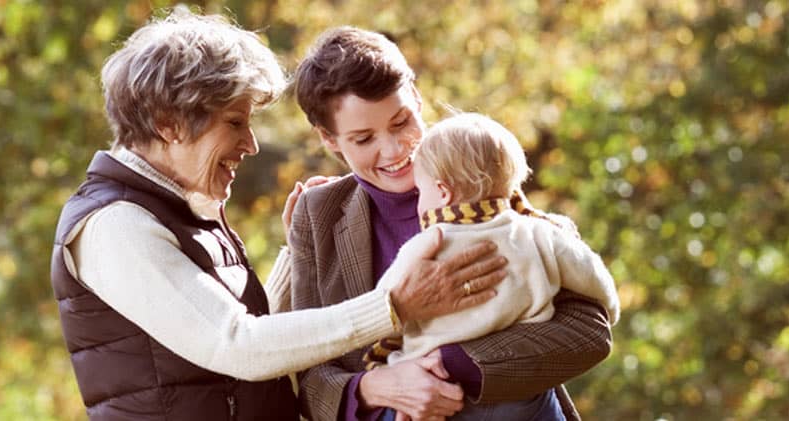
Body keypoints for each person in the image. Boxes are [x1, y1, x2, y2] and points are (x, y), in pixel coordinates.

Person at [48, 9, 507, 420]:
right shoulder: (115, 226)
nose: (251, 144)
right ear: (168, 124)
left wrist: (299, 250)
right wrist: (394, 306)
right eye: (234, 123)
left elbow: (244, 341)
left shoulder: (184, 211)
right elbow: (235, 345)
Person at [286, 27, 615, 421]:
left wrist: (453, 366)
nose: (394, 150)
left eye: (402, 122)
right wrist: (376, 387)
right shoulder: (317, 214)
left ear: (418, 99)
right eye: (363, 138)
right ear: (329, 139)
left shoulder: (477, 168)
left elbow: (588, 332)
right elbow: (309, 376)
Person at [371, 113, 621, 420]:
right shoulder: (538, 231)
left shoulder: (427, 245)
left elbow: (383, 307)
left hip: (446, 396)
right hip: (524, 394)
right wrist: (611, 307)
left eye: (421, 192)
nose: (419, 203)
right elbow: (593, 276)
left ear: (442, 191)